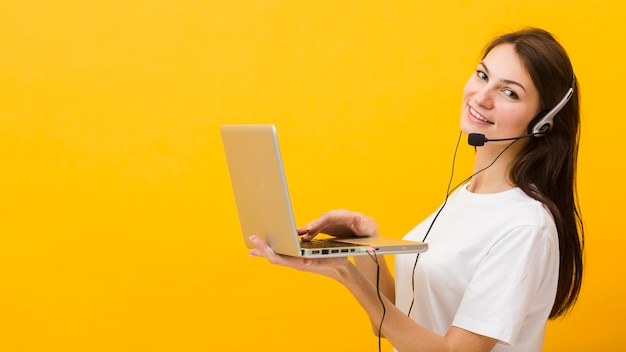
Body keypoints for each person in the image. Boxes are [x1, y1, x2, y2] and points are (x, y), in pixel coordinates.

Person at [249, 27, 584, 352]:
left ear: (544, 122)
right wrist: (365, 245)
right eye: (482, 76)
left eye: (509, 92)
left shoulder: (524, 227)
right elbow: (400, 318)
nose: (481, 97)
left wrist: (345, 274)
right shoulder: (467, 195)